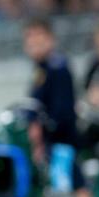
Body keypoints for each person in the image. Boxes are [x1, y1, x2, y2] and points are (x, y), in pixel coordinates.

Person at [24, 18, 78, 147]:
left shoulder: (58, 68)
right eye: (29, 36)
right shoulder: (40, 68)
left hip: (61, 143)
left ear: (50, 39)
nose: (33, 41)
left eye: (38, 35)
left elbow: (61, 114)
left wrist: (41, 129)